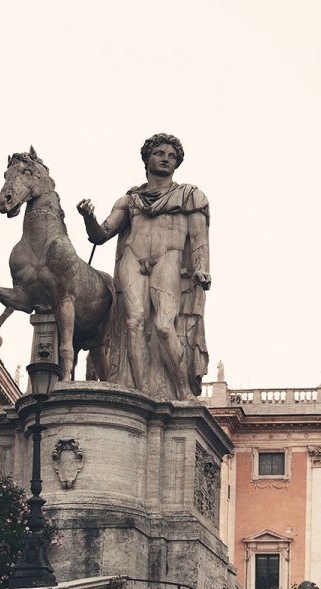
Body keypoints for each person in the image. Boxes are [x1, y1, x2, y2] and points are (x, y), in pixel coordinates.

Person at [78, 133, 210, 400]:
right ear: (147, 158)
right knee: (134, 323)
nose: (165, 159)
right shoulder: (130, 200)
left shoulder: (190, 196)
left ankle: (183, 389)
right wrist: (88, 217)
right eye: (159, 153)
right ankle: (140, 394)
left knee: (163, 324)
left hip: (168, 259)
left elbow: (198, 239)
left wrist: (200, 268)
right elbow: (100, 235)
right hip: (132, 259)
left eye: (171, 156)